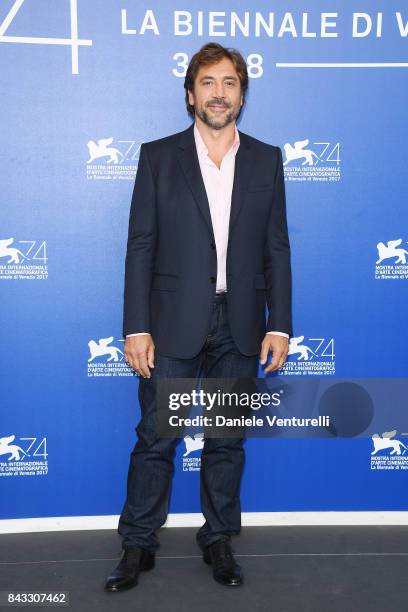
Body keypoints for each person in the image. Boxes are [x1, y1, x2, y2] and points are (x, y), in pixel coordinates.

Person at [105, 42, 292, 592]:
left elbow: (276, 247)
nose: (219, 92)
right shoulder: (158, 157)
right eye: (208, 82)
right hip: (170, 323)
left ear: (242, 94)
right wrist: (136, 326)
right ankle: (137, 544)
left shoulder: (266, 159)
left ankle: (218, 539)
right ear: (191, 94)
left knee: (227, 440)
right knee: (157, 439)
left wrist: (278, 323)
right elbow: (140, 245)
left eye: (230, 83)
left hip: (240, 322)